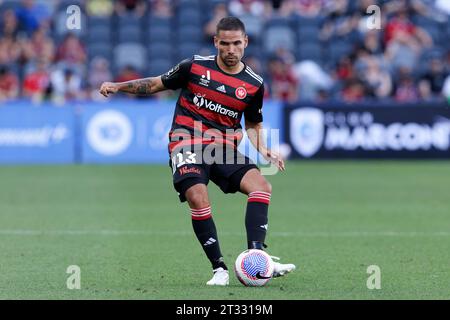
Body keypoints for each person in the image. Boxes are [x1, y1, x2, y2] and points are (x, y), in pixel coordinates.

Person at [99, 17, 295, 286]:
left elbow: (252, 122)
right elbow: (156, 84)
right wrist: (119, 86)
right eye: (224, 43)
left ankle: (259, 258)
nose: (230, 49)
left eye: (236, 43)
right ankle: (220, 269)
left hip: (223, 147)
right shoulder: (193, 67)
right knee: (197, 196)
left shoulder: (254, 83)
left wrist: (264, 149)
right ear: (216, 42)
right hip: (186, 142)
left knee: (262, 186)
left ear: (245, 42)